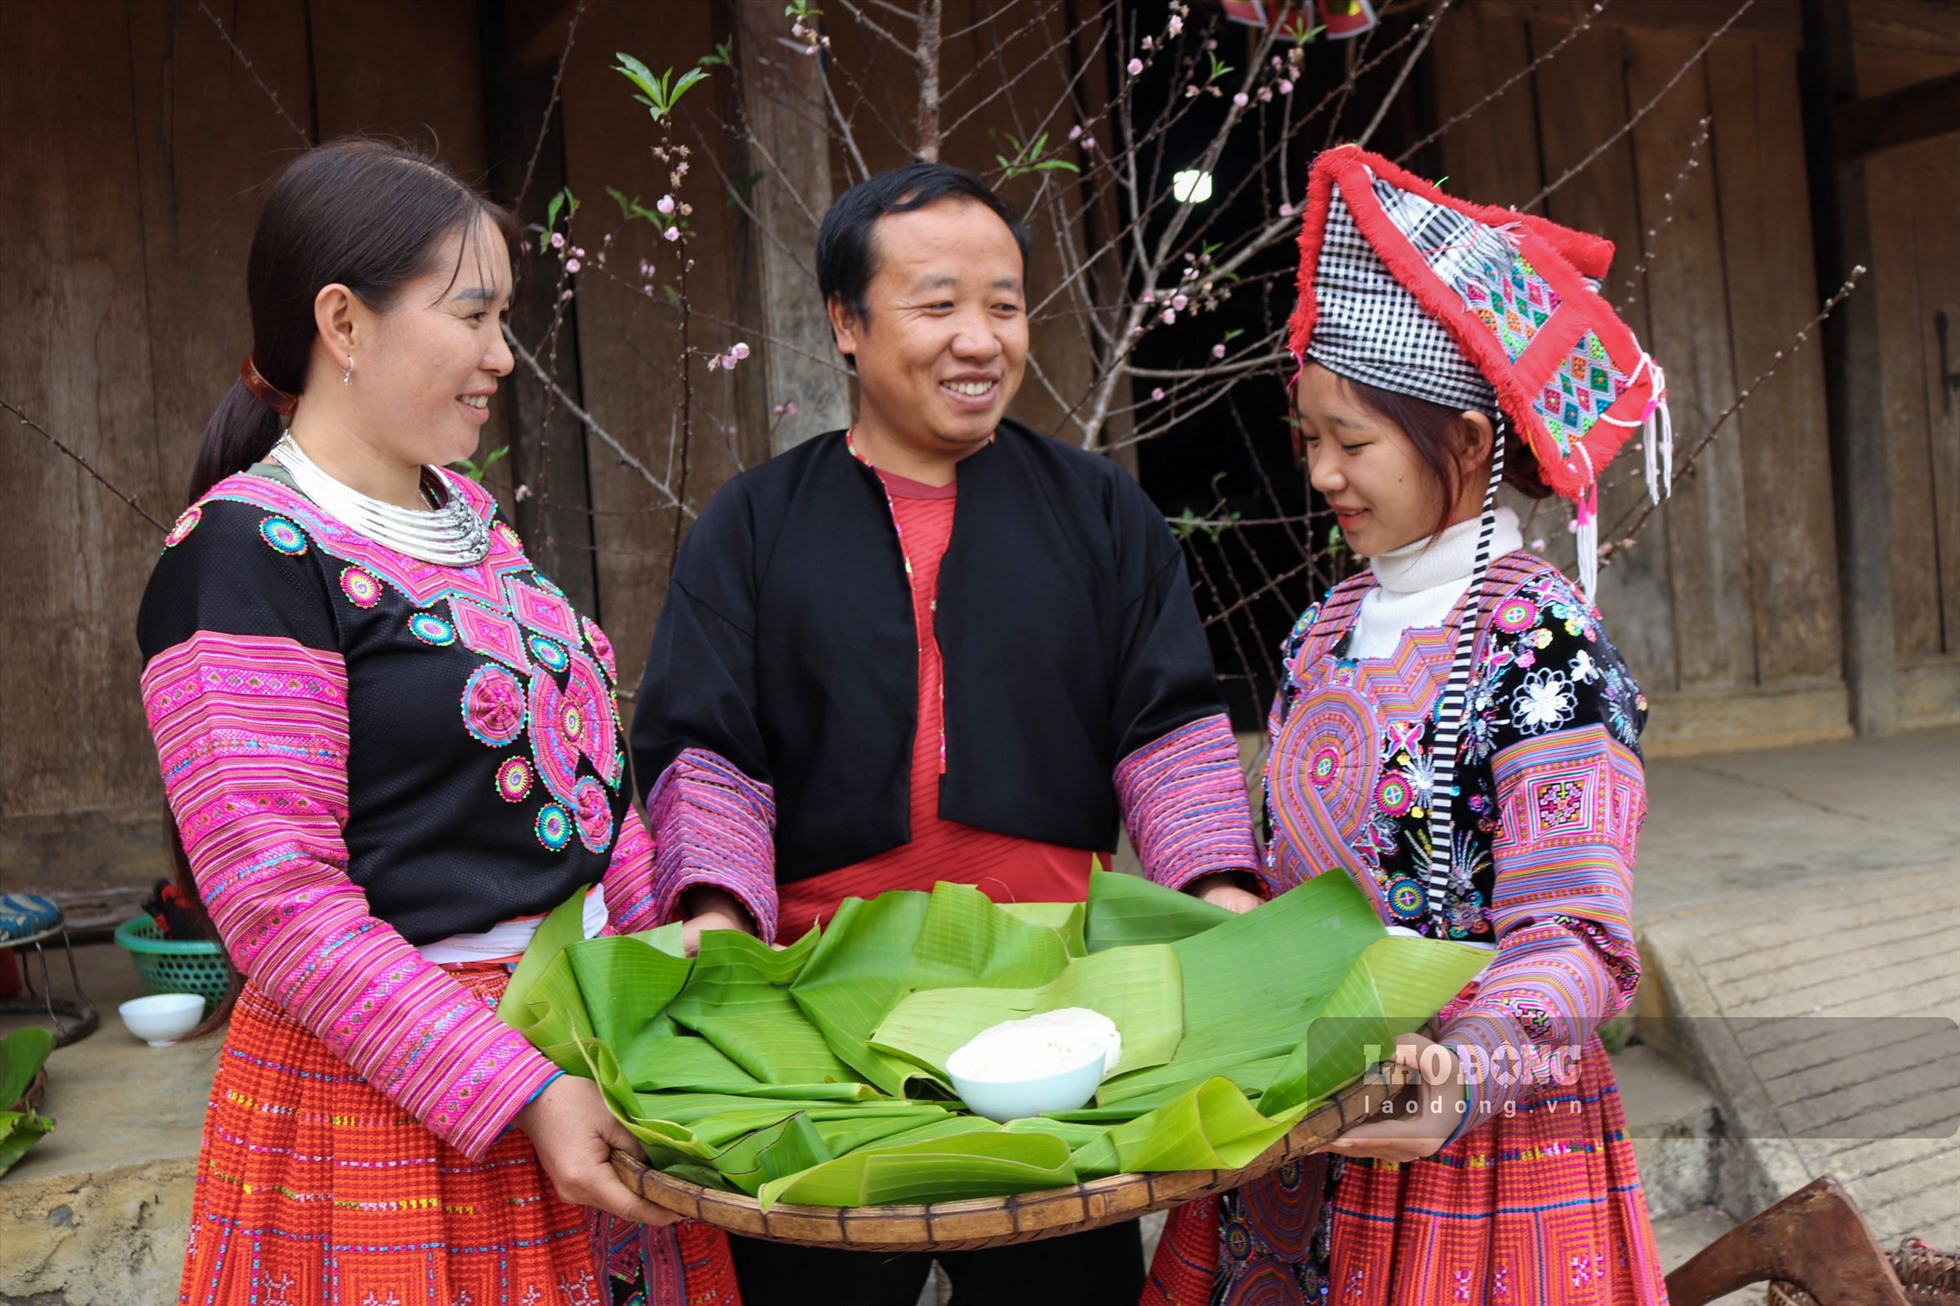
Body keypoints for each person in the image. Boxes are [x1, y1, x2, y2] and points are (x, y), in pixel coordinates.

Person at [629, 162, 1262, 1303]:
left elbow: (1166, 726)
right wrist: (717, 917)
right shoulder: (754, 526)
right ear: (847, 323)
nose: (980, 339)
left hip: (1057, 1028)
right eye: (937, 305)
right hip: (815, 1029)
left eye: (1005, 304)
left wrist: (1216, 893)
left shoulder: (1099, 510)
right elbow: (706, 745)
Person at [136, 140, 736, 1306]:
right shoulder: (243, 558)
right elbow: (278, 905)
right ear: (343, 324)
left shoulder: (465, 515)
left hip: (582, 1045)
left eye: (503, 319)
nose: (500, 359)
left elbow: (587, 777)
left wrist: (667, 964)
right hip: (395, 1112)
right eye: (472, 316)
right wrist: (513, 1084)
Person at [1144, 146, 1672, 1305]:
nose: (1323, 473)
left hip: (1473, 1154)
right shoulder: (1322, 625)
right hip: (1298, 1140)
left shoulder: (1543, 649)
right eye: (1310, 440)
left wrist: (1462, 1069)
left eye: (1353, 441)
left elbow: (1578, 939)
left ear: (1468, 445)